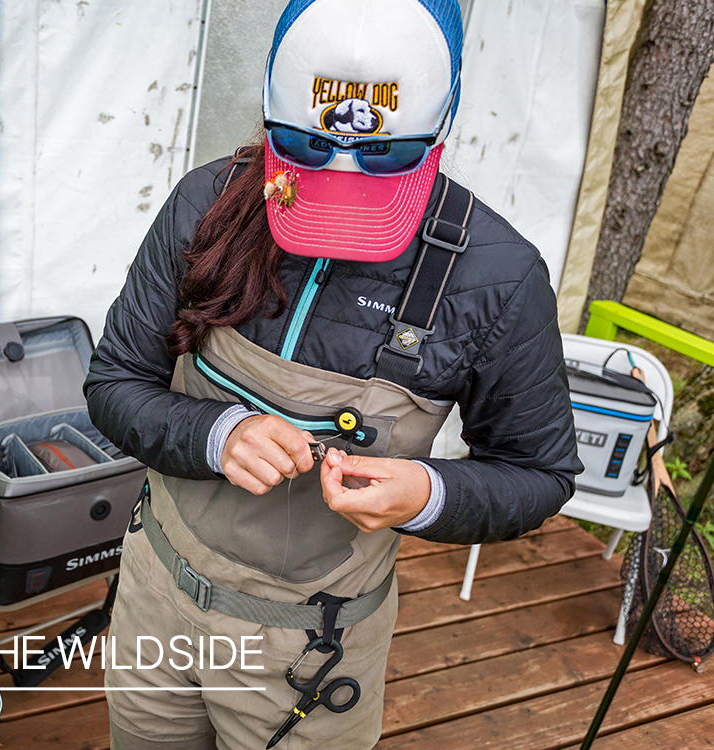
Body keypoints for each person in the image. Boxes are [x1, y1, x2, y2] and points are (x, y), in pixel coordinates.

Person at [84, 0, 583, 747]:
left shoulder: (497, 277)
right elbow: (114, 381)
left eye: (384, 161)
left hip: (307, 651)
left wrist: (428, 493)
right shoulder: (205, 202)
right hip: (155, 597)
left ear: (441, 125)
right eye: (304, 152)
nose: (338, 190)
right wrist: (214, 434)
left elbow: (538, 474)